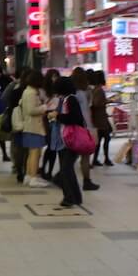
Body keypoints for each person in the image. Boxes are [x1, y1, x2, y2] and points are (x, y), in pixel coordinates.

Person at [49, 76, 86, 208]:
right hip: (63, 139)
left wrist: (57, 116)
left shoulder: (71, 100)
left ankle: (71, 197)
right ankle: (71, 197)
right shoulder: (63, 100)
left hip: (70, 139)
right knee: (66, 169)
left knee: (66, 169)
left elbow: (76, 118)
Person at [16, 70, 48, 187]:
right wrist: (45, 107)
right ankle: (33, 177)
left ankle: (29, 176)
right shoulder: (30, 93)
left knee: (33, 152)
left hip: (32, 127)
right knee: (35, 152)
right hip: (33, 127)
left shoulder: (30, 91)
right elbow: (31, 110)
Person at [71, 67, 100, 192]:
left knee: (72, 156)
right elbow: (86, 112)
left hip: (73, 127)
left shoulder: (71, 93)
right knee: (85, 156)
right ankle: (86, 181)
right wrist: (90, 128)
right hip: (84, 128)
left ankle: (62, 176)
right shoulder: (84, 93)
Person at [90, 71, 114, 168]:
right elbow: (96, 103)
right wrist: (106, 101)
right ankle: (106, 158)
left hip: (97, 119)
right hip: (101, 119)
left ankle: (96, 159)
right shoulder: (99, 90)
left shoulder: (94, 89)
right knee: (106, 138)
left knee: (99, 140)